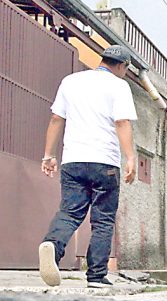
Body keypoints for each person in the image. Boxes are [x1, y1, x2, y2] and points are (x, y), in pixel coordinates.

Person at [38, 45, 138, 288]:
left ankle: (53, 244)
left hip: (73, 160)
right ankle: (95, 276)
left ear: (103, 60)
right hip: (105, 162)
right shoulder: (119, 85)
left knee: (70, 213)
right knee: (103, 220)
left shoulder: (71, 81)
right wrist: (131, 158)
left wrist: (48, 155)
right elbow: (122, 122)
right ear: (122, 66)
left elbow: (56, 118)